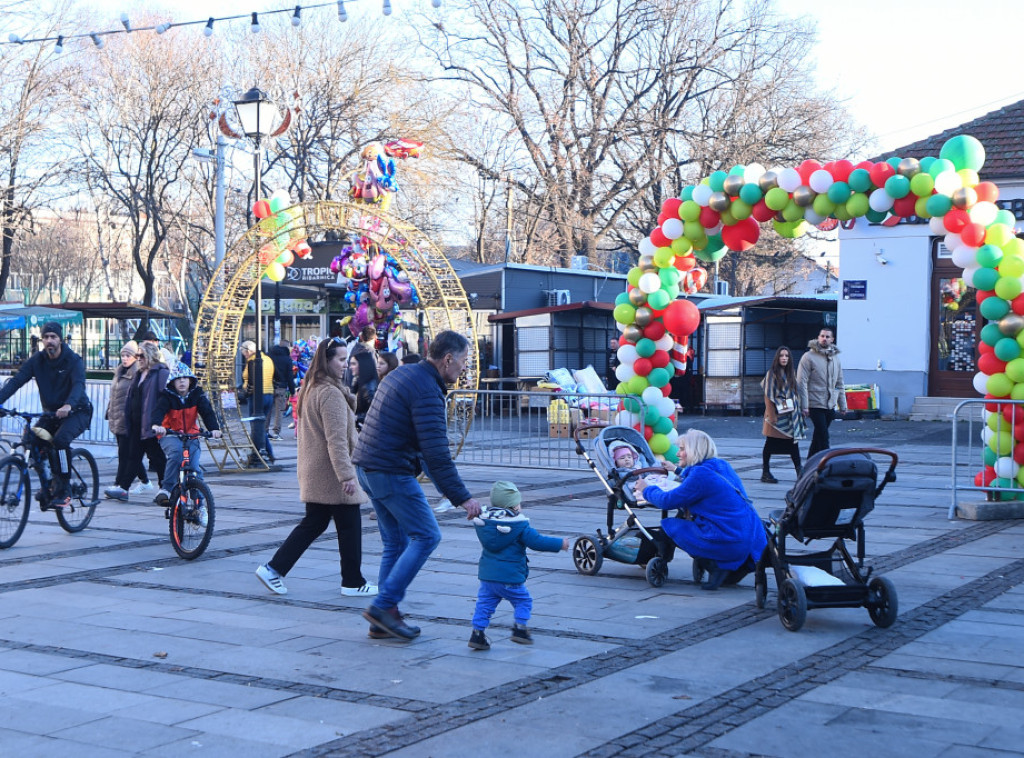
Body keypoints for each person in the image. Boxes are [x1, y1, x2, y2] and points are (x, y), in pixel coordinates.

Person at [353, 329, 482, 641]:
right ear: (448, 359)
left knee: (395, 543)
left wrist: (449, 490)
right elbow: (436, 453)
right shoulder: (426, 390)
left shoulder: (404, 373)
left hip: (368, 466)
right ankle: (382, 607)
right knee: (427, 535)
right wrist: (463, 498)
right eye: (463, 361)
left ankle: (384, 617)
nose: (464, 368)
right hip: (389, 470)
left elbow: (425, 452)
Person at [255, 338, 378, 597]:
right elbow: (336, 439)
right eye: (341, 359)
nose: (345, 365)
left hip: (317, 470)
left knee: (315, 522)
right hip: (331, 472)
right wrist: (346, 475)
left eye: (347, 360)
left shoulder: (312, 387)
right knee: (349, 526)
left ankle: (274, 569)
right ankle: (353, 582)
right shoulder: (330, 393)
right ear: (326, 360)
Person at [634, 429, 766, 591]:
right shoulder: (721, 465)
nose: (677, 453)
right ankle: (719, 566)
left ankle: (713, 565)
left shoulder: (700, 476)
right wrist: (676, 470)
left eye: (682, 449)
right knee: (690, 521)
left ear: (694, 451)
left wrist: (646, 489)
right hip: (748, 537)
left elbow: (667, 501)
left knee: (669, 526)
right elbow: (704, 480)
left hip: (727, 539)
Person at [0, 322, 93, 509]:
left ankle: (64, 488)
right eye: (46, 337)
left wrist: (69, 404)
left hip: (77, 411)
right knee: (31, 440)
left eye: (53, 337)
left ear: (60, 339)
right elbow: (17, 381)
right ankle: (49, 483)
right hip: (51, 414)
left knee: (60, 441)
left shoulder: (73, 360)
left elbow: (78, 385)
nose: (49, 341)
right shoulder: (38, 360)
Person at [467, 481, 568, 650]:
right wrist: (560, 544)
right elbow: (537, 542)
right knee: (523, 601)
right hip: (510, 577)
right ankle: (520, 629)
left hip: (487, 577)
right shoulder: (519, 525)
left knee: (484, 604)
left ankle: (477, 634)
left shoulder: (485, 524)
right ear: (514, 506)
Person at [150, 362, 222, 508]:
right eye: (178, 379)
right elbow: (158, 411)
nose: (182, 382)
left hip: (191, 434)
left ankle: (200, 506)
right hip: (170, 434)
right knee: (177, 454)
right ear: (172, 382)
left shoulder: (197, 395)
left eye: (185, 378)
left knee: (194, 467)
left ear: (190, 381)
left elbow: (207, 412)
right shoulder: (167, 396)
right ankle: (166, 489)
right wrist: (157, 426)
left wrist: (214, 429)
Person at [104, 341, 153, 500]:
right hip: (117, 417)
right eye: (123, 355)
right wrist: (109, 410)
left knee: (126, 454)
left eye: (128, 355)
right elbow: (114, 395)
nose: (125, 358)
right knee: (130, 454)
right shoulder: (119, 371)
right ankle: (144, 481)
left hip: (129, 419)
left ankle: (119, 484)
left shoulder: (137, 373)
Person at [122, 343, 169, 500]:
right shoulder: (139, 373)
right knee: (133, 455)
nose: (138, 359)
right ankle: (123, 488)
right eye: (137, 356)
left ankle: (166, 488)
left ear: (150, 355)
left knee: (157, 457)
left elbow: (164, 398)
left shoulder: (161, 372)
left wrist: (159, 421)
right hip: (137, 422)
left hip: (151, 423)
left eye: (141, 355)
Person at [796, 327, 847, 458]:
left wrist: (843, 404)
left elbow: (839, 382)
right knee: (824, 437)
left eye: (827, 336)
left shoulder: (835, 358)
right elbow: (801, 382)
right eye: (822, 336)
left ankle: (810, 462)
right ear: (818, 338)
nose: (824, 338)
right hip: (815, 403)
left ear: (832, 339)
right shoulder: (808, 357)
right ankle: (828, 463)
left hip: (830, 404)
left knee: (818, 436)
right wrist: (804, 405)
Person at [760, 346, 806, 483]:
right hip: (775, 415)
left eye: (786, 356)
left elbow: (795, 393)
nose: (784, 358)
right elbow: (768, 396)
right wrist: (771, 415)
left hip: (789, 415)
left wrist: (799, 411)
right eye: (781, 356)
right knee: (770, 444)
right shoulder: (772, 374)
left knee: (793, 443)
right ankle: (765, 472)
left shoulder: (791, 373)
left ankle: (799, 471)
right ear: (777, 358)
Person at [240, 340, 275, 464]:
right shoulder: (268, 359)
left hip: (257, 397)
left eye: (244, 352)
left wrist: (245, 393)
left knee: (256, 427)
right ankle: (262, 453)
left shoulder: (253, 361)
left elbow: (252, 382)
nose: (244, 355)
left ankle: (263, 453)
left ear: (249, 351)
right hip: (269, 394)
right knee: (260, 425)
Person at [268, 340, 296, 441]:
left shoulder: (269, 356)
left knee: (268, 410)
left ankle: (265, 432)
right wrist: (292, 391)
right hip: (281, 387)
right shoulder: (287, 359)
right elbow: (289, 377)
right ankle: (276, 433)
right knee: (279, 411)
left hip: (269, 386)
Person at [350, 351, 379, 430]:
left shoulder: (369, 387)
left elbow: (374, 414)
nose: (350, 367)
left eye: (353, 364)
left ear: (363, 364)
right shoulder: (357, 381)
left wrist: (356, 418)